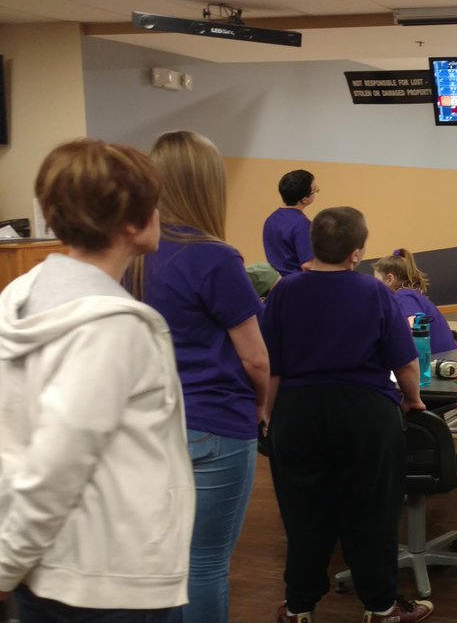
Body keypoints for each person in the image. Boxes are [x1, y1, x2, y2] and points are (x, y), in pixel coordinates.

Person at [0, 139, 194, 619]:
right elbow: (57, 463)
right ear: (131, 222)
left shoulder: (22, 295)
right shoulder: (113, 329)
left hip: (52, 570)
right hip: (107, 584)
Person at [262, 206, 432, 623]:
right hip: (365, 414)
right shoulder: (374, 293)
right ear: (356, 253)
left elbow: (272, 367)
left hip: (298, 413)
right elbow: (406, 363)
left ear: (313, 245)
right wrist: (412, 401)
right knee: (372, 513)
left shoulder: (285, 291)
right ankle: (380, 607)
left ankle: (299, 608)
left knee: (303, 514)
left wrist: (267, 414)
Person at [133, 130, 271, 623]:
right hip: (214, 425)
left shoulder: (129, 254)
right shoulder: (215, 257)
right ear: (208, 184)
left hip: (148, 427)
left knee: (166, 562)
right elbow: (255, 358)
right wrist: (261, 405)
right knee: (206, 563)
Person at [373, 248, 455, 354]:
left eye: (377, 280)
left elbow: (414, 329)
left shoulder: (403, 296)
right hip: (445, 357)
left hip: (438, 361)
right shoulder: (409, 294)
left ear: (389, 279)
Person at [263, 169, 318, 276]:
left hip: (277, 283)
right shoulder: (302, 224)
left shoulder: (271, 219)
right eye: (315, 191)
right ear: (304, 199)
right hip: (297, 285)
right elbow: (307, 265)